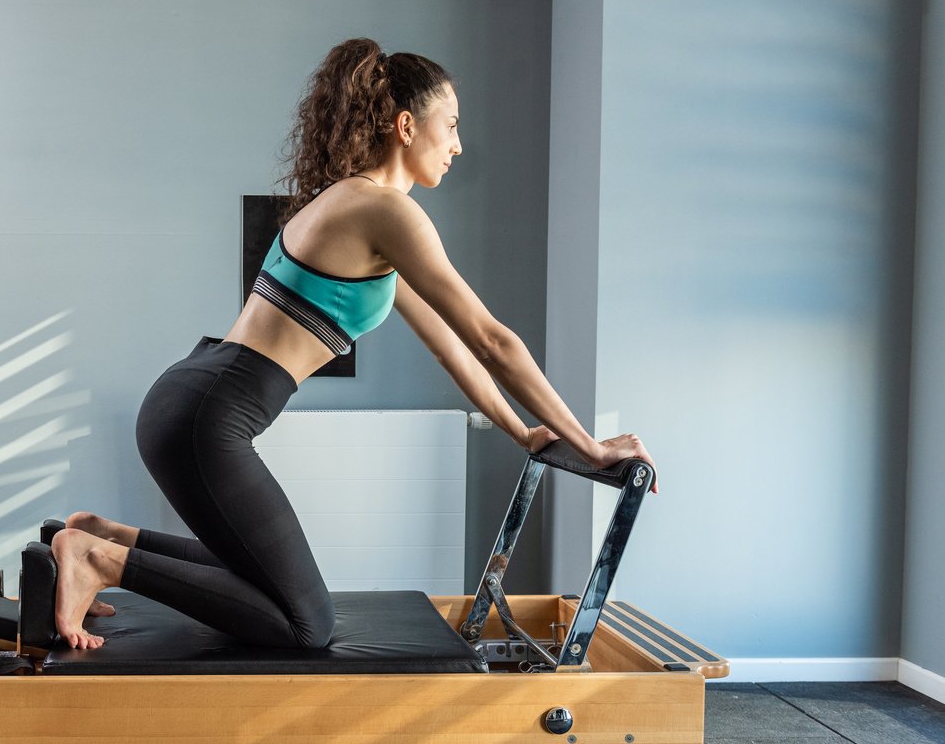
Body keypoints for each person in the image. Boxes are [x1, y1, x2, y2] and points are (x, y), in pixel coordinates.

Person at [51, 37, 657, 651]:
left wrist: (524, 433)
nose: (457, 144)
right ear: (405, 125)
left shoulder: (357, 211)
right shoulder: (385, 211)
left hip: (194, 399)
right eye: (450, 125)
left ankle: (103, 536)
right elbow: (495, 341)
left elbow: (454, 348)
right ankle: (97, 559)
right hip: (210, 416)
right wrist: (589, 445)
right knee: (305, 624)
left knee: (261, 575)